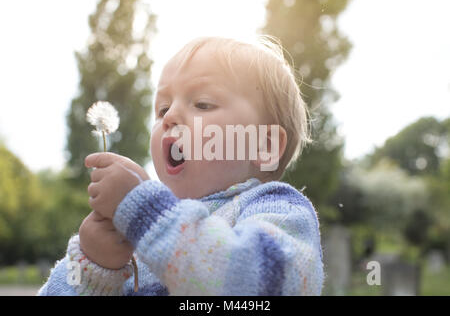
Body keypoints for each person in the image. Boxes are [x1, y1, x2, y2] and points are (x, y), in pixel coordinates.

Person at [38, 35, 324, 296]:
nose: (170, 116)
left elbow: (261, 287)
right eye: (162, 109)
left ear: (264, 145)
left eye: (202, 104)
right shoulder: (134, 236)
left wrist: (146, 211)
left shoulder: (278, 211)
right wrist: (94, 269)